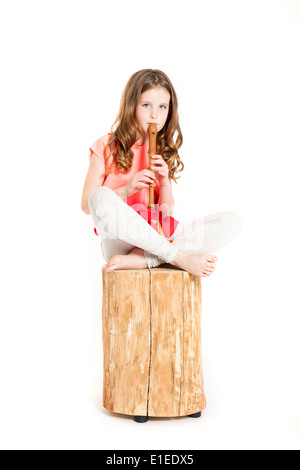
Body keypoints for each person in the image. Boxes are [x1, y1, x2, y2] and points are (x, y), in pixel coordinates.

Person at [81, 69, 241, 276]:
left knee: (231, 221)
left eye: (162, 107)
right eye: (146, 105)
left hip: (157, 233)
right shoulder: (106, 145)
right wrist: (126, 189)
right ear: (132, 106)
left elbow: (165, 214)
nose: (154, 114)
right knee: (100, 195)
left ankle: (145, 259)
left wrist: (164, 182)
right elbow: (87, 204)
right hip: (119, 240)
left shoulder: (162, 150)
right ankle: (177, 257)